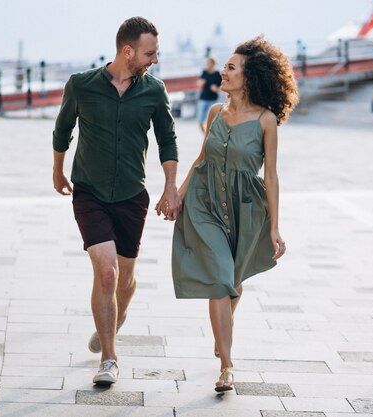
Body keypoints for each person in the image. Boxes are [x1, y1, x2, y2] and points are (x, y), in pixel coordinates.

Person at [52, 16, 181, 386]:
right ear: (128, 51)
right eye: (149, 53)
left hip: (131, 195)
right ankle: (109, 357)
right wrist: (58, 171)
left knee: (126, 276)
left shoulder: (154, 91)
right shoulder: (81, 85)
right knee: (106, 272)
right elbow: (63, 129)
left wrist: (170, 187)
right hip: (89, 191)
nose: (154, 59)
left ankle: (115, 317)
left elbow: (168, 140)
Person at [170, 36, 298, 393]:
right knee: (220, 278)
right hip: (205, 204)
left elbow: (270, 175)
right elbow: (201, 159)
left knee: (233, 281)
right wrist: (177, 196)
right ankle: (227, 365)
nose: (223, 73)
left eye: (231, 68)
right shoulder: (214, 113)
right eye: (224, 66)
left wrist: (274, 227)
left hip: (246, 209)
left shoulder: (265, 120)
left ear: (249, 76)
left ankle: (221, 331)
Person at [197, 56, 222, 133]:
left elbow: (222, 88)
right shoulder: (204, 72)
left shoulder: (218, 74)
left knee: (212, 121)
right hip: (203, 99)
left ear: (213, 64)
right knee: (200, 121)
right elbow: (198, 83)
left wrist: (216, 89)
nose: (207, 64)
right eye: (206, 63)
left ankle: (211, 137)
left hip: (213, 100)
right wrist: (201, 83)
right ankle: (205, 136)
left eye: (209, 63)